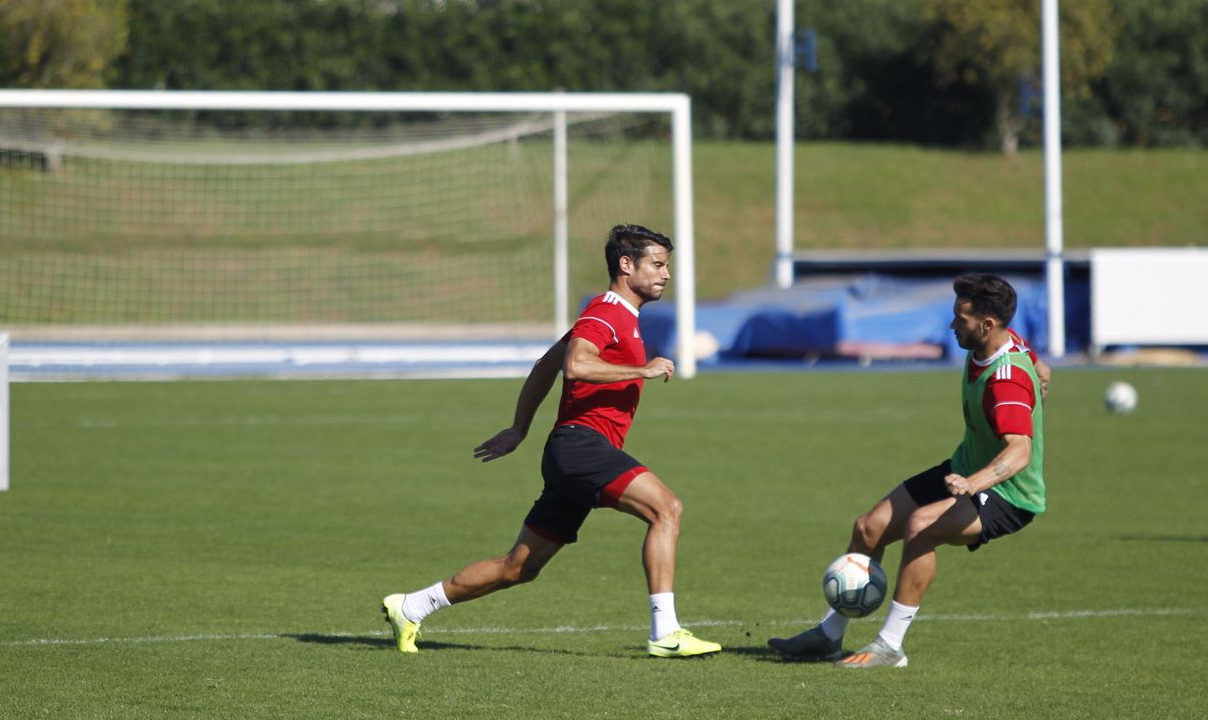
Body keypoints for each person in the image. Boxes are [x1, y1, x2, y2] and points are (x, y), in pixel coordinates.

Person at [381, 224, 722, 658]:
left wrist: (519, 428)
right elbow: (577, 365)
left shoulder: (615, 317)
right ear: (625, 265)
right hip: (581, 446)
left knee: (518, 568)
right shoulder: (607, 311)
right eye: (657, 264)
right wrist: (643, 370)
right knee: (666, 508)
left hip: (572, 451)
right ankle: (665, 631)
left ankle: (411, 606)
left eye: (666, 265)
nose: (665, 275)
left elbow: (547, 366)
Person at [769, 272, 1048, 668]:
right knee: (869, 527)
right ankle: (828, 636)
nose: (952, 325)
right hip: (963, 470)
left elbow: (1019, 452)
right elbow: (1027, 351)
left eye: (960, 318)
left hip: (1008, 494)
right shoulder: (1001, 339)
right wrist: (1043, 369)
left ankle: (890, 646)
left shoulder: (1005, 382)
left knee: (921, 527)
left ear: (986, 325)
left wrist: (972, 484)